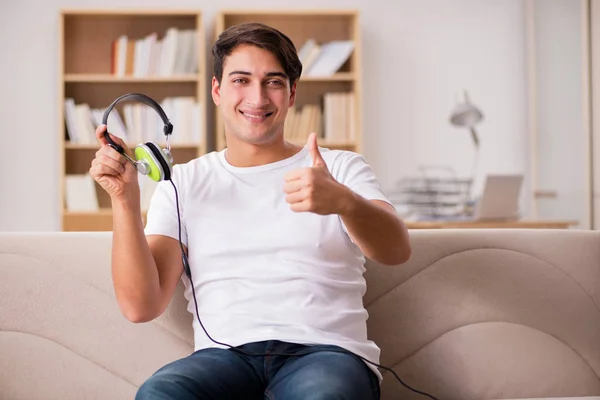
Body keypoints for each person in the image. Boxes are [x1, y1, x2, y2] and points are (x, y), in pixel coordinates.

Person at [89, 22, 411, 400]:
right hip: (224, 358)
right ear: (217, 90)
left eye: (273, 82)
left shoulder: (339, 168)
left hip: (325, 354)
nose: (257, 98)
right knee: (160, 393)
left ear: (292, 94)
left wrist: (344, 202)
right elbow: (140, 306)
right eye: (241, 80)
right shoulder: (182, 183)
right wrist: (125, 199)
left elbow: (396, 250)